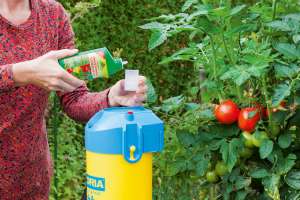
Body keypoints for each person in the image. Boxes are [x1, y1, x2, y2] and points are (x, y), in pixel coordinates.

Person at [0, 0, 148, 199]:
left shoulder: (52, 14)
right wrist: (20, 73)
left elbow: (74, 98)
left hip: (29, 179)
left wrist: (110, 97)